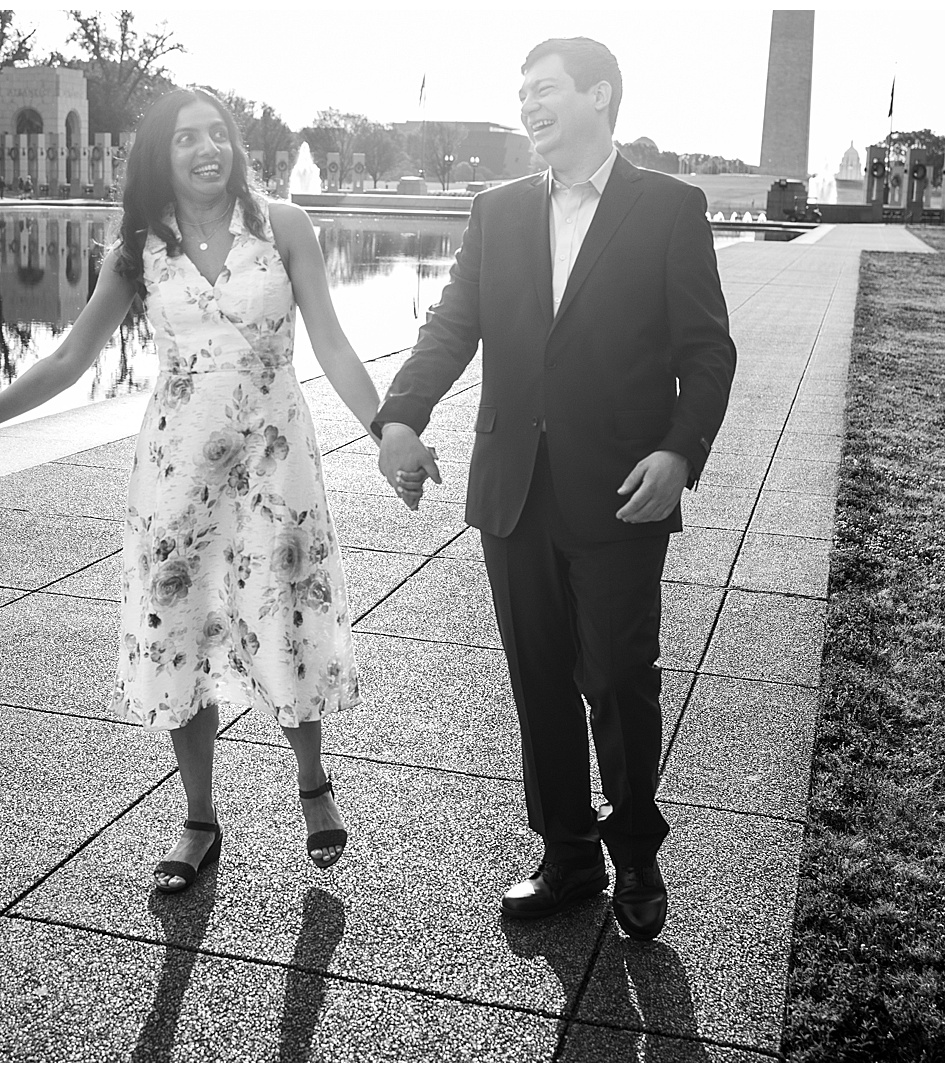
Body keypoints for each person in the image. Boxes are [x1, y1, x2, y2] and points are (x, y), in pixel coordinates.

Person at [0, 87, 382, 894]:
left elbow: (330, 342)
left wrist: (384, 429)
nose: (205, 148)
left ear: (235, 144)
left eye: (217, 133)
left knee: (285, 611)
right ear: (160, 154)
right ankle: (199, 819)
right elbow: (69, 358)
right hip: (177, 469)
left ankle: (312, 783)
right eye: (186, 137)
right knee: (179, 628)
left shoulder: (285, 228)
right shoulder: (134, 250)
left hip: (275, 459)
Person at [374, 37, 736, 940]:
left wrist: (680, 452)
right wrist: (400, 416)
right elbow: (453, 325)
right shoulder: (496, 210)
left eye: (545, 91)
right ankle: (568, 856)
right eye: (522, 92)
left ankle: (638, 857)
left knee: (617, 679)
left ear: (599, 95)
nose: (529, 106)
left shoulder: (669, 208)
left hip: (621, 492)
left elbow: (708, 352)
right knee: (538, 681)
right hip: (513, 491)